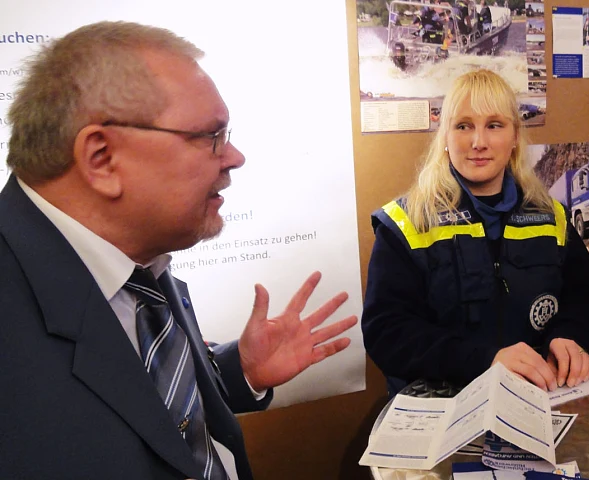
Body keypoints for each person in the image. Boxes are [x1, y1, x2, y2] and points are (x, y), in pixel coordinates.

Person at [0, 21, 358, 479]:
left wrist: (238, 372)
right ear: (102, 158)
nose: (234, 157)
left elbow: (136, 408)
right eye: (211, 137)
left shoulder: (136, 262)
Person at [362, 70, 589, 396]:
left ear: (514, 138)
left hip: (540, 396)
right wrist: (484, 360)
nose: (478, 142)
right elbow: (387, 333)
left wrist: (570, 337)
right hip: (444, 406)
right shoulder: (406, 223)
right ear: (445, 138)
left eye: (494, 125)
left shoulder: (551, 218)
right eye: (463, 125)